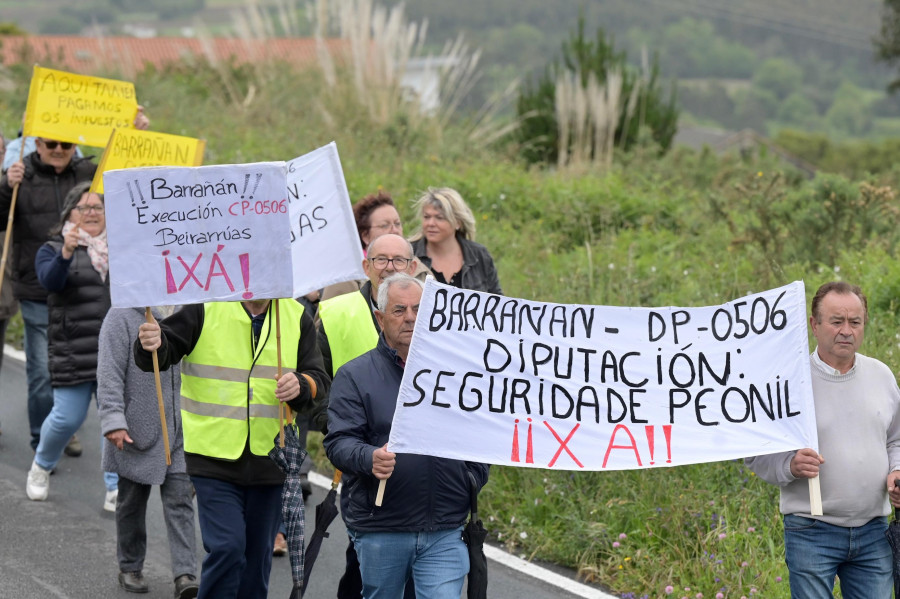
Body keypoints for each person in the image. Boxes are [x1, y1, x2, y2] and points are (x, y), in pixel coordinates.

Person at [134, 296, 330, 598]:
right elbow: (162, 352)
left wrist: (302, 385)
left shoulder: (295, 315)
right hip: (212, 456)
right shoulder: (204, 307)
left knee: (256, 562)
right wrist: (151, 343)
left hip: (271, 460)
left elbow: (318, 379)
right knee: (227, 547)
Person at [324, 273, 489, 598]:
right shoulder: (355, 376)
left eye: (418, 309)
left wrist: (469, 479)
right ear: (380, 317)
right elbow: (338, 443)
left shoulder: (457, 374)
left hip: (445, 527)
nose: (410, 317)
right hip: (381, 527)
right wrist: (369, 458)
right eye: (399, 310)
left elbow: (480, 435)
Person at [0, 107, 149, 453]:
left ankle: (70, 427)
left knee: (96, 372)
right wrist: (8, 186)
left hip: (87, 291)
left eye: (66, 144)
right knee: (41, 373)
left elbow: (127, 180)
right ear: (36, 142)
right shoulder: (20, 173)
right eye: (51, 142)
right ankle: (44, 439)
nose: (58, 149)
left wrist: (135, 134)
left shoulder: (89, 172)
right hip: (39, 287)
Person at [746, 281, 900, 599]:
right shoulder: (788, 382)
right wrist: (789, 465)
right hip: (811, 530)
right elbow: (756, 454)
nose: (846, 330)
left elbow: (896, 440)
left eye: (854, 322)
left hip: (873, 528)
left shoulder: (881, 376)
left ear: (864, 325)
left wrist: (897, 470)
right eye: (836, 321)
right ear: (814, 325)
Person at [97, 306, 199, 598]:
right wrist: (114, 420)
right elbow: (109, 373)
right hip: (134, 430)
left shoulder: (187, 313)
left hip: (180, 428)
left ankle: (185, 574)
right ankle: (130, 566)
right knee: (130, 503)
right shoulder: (119, 317)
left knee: (180, 501)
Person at [25, 182, 114, 506]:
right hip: (74, 349)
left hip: (114, 352)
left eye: (98, 208)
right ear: (70, 213)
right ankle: (41, 466)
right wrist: (65, 253)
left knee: (114, 419)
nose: (91, 213)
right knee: (65, 418)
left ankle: (115, 486)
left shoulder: (123, 247)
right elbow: (49, 282)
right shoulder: (52, 247)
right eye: (84, 208)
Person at [409, 187, 502, 295]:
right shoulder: (409, 254)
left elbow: (498, 300)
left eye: (439, 218)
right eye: (426, 217)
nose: (431, 223)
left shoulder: (479, 255)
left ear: (458, 222)